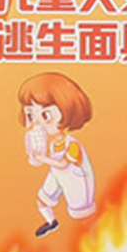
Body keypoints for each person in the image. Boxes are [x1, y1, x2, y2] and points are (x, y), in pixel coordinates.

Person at [18, 72, 96, 237]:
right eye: (31, 115)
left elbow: (63, 164)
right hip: (58, 175)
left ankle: (96, 235)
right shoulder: (53, 144)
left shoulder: (73, 145)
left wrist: (42, 158)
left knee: (82, 214)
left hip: (76, 179)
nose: (37, 122)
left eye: (45, 115)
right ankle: (51, 222)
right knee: (42, 200)